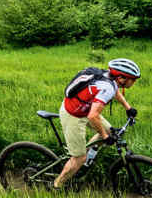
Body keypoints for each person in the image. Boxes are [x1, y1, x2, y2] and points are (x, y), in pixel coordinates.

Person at [52, 58, 140, 190]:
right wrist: (104, 136)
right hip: (73, 115)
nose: (134, 82)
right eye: (132, 79)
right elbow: (93, 116)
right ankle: (57, 185)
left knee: (110, 132)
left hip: (85, 109)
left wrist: (128, 108)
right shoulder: (106, 87)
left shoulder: (110, 78)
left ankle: (87, 159)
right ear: (121, 78)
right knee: (79, 158)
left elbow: (115, 91)